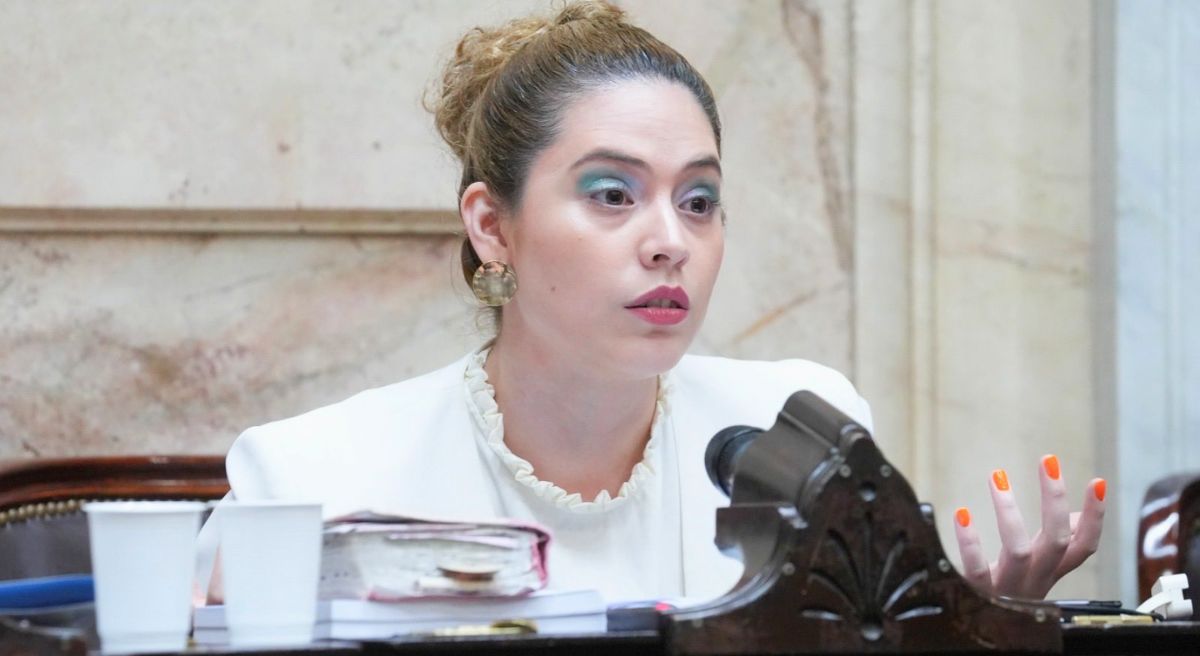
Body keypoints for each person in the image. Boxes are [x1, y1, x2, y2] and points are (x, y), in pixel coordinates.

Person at [200, 0, 1104, 604]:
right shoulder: (313, 481)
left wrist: (978, 631)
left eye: (699, 199)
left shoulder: (796, 432)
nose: (670, 238)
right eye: (612, 194)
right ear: (492, 226)